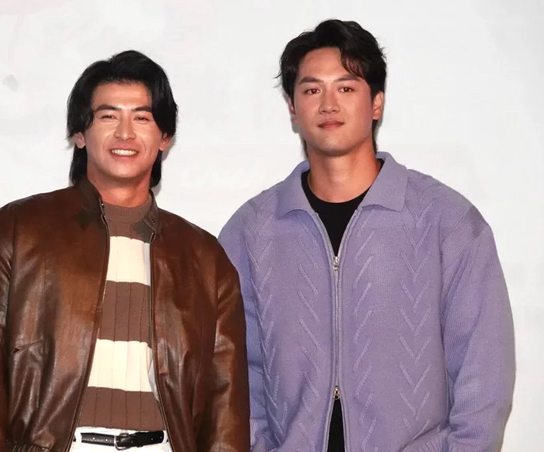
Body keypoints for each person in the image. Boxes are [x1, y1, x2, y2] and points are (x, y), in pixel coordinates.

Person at [219, 19, 514, 451]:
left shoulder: (448, 223)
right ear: (292, 108)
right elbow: (232, 376)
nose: (328, 104)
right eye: (311, 90)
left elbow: (484, 379)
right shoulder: (250, 232)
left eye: (346, 87)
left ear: (376, 103)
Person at [0, 50, 249, 452]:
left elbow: (225, 406)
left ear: (165, 138)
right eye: (108, 116)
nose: (125, 133)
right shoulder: (14, 231)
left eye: (142, 118)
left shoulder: (204, 258)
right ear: (79, 133)